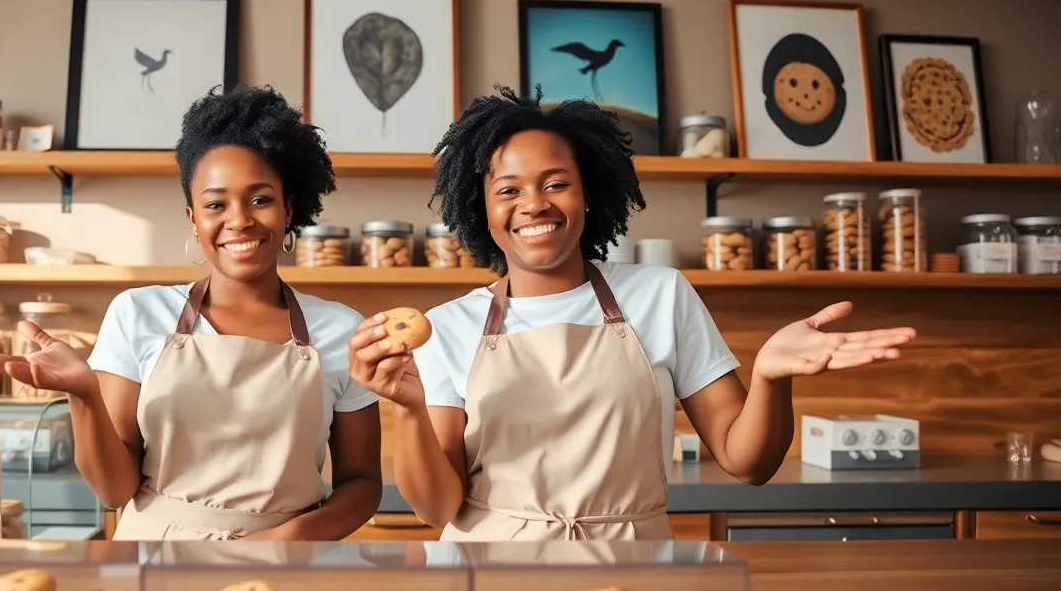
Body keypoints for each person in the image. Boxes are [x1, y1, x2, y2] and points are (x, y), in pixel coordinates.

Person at [349, 86, 915, 541]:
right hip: (492, 577)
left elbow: (749, 463)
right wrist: (407, 410)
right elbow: (437, 508)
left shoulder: (661, 295)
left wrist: (769, 374)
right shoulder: (448, 325)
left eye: (556, 184)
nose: (534, 205)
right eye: (508, 191)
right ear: (484, 209)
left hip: (632, 570)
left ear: (588, 194)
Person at [0, 85, 382, 540]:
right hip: (154, 555)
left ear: (289, 209)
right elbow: (114, 489)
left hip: (286, 563)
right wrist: (84, 396)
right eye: (215, 205)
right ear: (193, 218)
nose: (239, 219)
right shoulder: (138, 312)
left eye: (260, 199)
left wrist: (286, 541)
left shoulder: (342, 329)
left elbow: (361, 484)